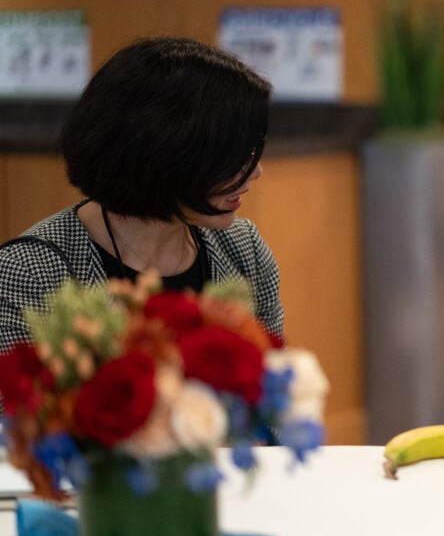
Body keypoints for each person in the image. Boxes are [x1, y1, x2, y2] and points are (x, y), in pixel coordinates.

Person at [0, 36, 284, 351]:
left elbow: (275, 386)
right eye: (232, 157)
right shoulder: (29, 273)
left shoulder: (245, 252)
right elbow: (19, 400)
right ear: (164, 154)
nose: (256, 172)